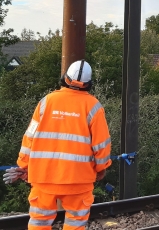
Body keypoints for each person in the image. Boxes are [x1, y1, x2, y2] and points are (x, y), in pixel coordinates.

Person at [15, 60, 111, 230]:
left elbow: (29, 137)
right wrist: (101, 168)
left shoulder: (46, 102)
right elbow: (101, 145)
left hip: (44, 177)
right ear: (88, 84)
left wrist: (23, 165)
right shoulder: (94, 107)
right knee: (75, 223)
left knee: (39, 222)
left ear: (65, 78)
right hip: (78, 180)